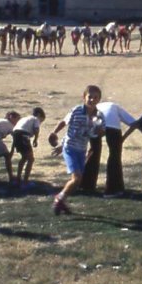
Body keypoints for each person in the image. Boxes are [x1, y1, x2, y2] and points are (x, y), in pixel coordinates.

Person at [51, 85, 104, 215]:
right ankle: (59, 198)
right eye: (89, 97)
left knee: (78, 181)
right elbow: (64, 122)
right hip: (70, 148)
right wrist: (54, 132)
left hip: (82, 149)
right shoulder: (76, 110)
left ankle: (62, 201)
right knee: (76, 178)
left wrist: (100, 131)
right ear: (84, 97)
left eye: (95, 97)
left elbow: (102, 132)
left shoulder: (99, 115)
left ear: (99, 99)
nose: (92, 99)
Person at [89, 101, 136, 197]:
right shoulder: (116, 107)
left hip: (95, 123)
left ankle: (87, 184)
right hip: (112, 126)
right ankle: (113, 189)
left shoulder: (98, 106)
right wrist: (123, 138)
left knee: (94, 151)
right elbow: (134, 123)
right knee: (114, 154)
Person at [12, 107, 45, 187]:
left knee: (24, 158)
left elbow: (16, 131)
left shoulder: (24, 119)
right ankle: (25, 181)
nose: (40, 122)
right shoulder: (35, 119)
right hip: (23, 135)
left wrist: (12, 149)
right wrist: (35, 140)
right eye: (41, 120)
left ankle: (18, 179)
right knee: (30, 159)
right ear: (39, 115)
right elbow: (36, 129)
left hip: (16, 134)